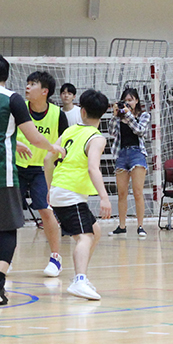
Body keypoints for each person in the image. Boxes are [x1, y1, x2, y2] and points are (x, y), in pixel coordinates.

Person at [0, 55, 65, 305]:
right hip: (1, 172)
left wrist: (11, 141)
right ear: (7, 76)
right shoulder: (12, 99)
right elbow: (34, 137)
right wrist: (53, 147)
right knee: (7, 230)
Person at [45, 89, 112, 301]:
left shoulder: (69, 131)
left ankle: (81, 276)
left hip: (59, 190)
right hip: (70, 193)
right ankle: (79, 280)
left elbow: (47, 159)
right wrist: (104, 197)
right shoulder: (96, 138)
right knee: (86, 237)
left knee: (95, 231)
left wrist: (49, 188)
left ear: (82, 111)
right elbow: (93, 168)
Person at [19, 71, 70, 277]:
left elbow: (64, 145)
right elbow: (4, 135)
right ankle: (5, 259)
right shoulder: (18, 108)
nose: (27, 87)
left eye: (33, 84)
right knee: (8, 215)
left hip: (42, 170)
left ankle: (55, 258)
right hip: (16, 167)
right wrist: (16, 144)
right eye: (27, 83)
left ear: (45, 91)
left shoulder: (58, 115)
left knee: (46, 211)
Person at [109, 87, 150, 237]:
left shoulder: (144, 115)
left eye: (130, 100)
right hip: (121, 154)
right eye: (125, 100)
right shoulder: (119, 117)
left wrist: (128, 115)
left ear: (137, 101)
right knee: (122, 193)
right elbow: (112, 132)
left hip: (137, 153)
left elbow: (139, 130)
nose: (127, 103)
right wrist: (115, 115)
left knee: (138, 192)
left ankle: (140, 226)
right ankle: (122, 226)